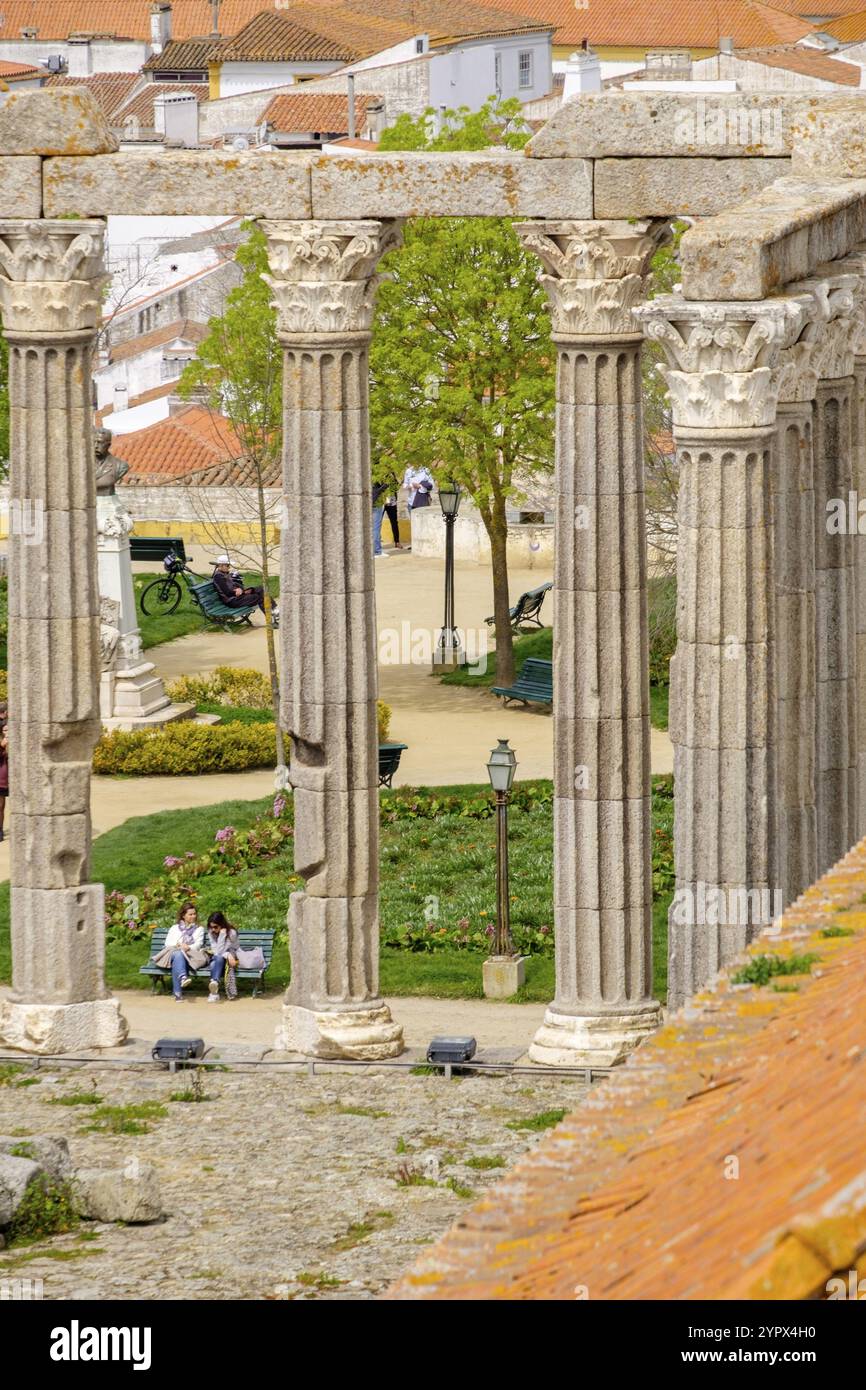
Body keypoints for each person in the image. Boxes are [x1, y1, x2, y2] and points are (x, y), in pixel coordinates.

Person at [211, 555, 279, 628]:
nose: (229, 567)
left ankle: (274, 609)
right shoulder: (218, 577)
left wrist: (240, 589)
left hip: (237, 597)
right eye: (227, 565)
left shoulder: (224, 574)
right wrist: (236, 591)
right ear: (221, 565)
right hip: (232, 601)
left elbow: (233, 586)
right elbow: (227, 592)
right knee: (259, 597)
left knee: (261, 589)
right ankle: (271, 620)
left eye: (229, 565)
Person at [162, 902, 206, 1001]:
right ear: (183, 915)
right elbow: (168, 943)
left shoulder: (199, 929)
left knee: (179, 957)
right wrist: (178, 945)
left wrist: (188, 947)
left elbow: (198, 945)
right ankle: (182, 978)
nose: (193, 916)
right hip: (171, 953)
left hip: (189, 955)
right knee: (178, 954)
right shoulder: (174, 928)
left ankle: (178, 992)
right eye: (190, 914)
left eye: (194, 914)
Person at [205, 911, 239, 1003]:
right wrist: (226, 954)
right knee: (216, 960)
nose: (213, 929)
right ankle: (215, 984)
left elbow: (220, 951)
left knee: (213, 964)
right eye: (211, 927)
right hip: (220, 957)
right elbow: (216, 952)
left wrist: (222, 935)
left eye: (215, 927)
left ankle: (214, 993)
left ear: (222, 925)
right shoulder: (211, 932)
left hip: (232, 955)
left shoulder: (231, 932)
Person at [372, 479, 388, 558]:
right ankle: (377, 551)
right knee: (376, 528)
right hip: (376, 503)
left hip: (365, 502)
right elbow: (379, 490)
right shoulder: (379, 474)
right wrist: (385, 485)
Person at [0, 713, 7, 844]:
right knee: (0, 805)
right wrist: (2, 746)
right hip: (1, 777)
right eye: (5, 729)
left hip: (10, 779)